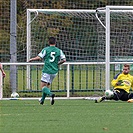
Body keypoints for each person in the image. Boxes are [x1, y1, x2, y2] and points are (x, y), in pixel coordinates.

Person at [29, 37, 66, 105]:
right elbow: (64, 60)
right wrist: (57, 64)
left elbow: (39, 57)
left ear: (49, 42)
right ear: (55, 42)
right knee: (47, 86)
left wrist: (32, 59)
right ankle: (42, 100)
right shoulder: (59, 50)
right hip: (54, 71)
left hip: (47, 70)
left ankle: (51, 94)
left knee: (43, 87)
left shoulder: (46, 49)